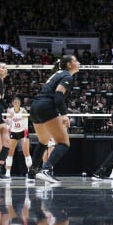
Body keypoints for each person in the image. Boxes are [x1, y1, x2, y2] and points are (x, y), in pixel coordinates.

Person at [28, 55, 81, 184]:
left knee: (43, 141)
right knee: (63, 143)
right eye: (75, 61)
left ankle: (33, 171)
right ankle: (45, 170)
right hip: (46, 106)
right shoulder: (67, 75)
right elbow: (58, 95)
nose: (78, 63)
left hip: (35, 106)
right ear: (69, 64)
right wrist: (64, 115)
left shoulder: (58, 73)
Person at [4, 97, 31, 178]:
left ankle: (30, 172)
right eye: (15, 102)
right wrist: (8, 135)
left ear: (20, 104)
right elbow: (8, 124)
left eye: (18, 102)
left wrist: (26, 136)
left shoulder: (23, 111)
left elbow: (26, 124)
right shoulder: (10, 111)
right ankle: (8, 172)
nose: (16, 104)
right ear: (12, 103)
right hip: (13, 132)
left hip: (23, 132)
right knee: (10, 153)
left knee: (26, 153)